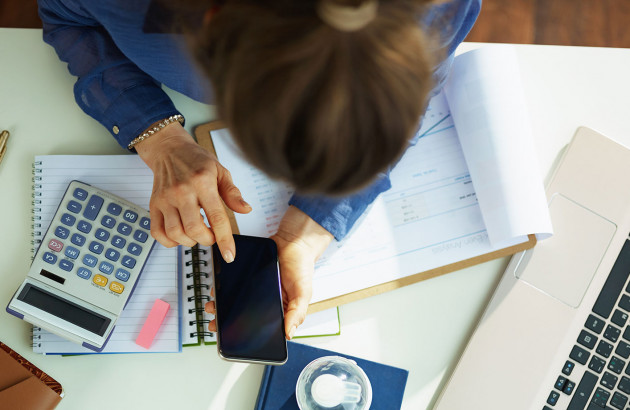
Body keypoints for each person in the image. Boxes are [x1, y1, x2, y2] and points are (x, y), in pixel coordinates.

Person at [38, 0, 481, 339]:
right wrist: (158, 136)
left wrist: (310, 229)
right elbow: (62, 12)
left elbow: (416, 97)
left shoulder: (441, 10)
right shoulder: (142, 12)